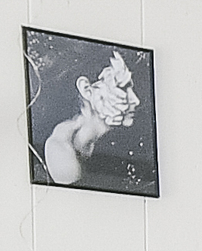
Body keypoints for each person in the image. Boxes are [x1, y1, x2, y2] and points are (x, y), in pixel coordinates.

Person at [41, 50, 139, 186]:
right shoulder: (61, 149)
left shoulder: (117, 142)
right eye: (123, 87)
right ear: (87, 89)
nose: (136, 100)